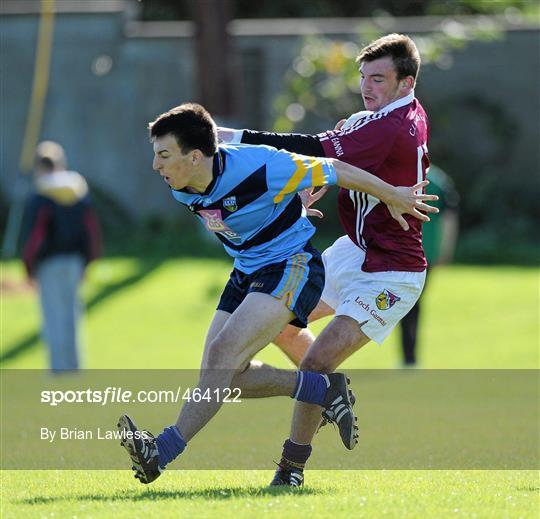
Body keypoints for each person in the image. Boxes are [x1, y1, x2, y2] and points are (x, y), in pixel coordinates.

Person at [117, 102, 438, 485]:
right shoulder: (181, 187)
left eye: (163, 155)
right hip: (246, 272)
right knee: (218, 375)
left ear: (196, 157)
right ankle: (322, 387)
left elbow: (337, 170)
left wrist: (391, 194)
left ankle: (160, 453)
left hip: (293, 266)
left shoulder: (263, 165)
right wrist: (289, 204)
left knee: (222, 357)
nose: (156, 166)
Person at [218, 33, 431, 486]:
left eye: (378, 78)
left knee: (315, 362)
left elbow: (312, 148)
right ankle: (331, 393)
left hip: (392, 273)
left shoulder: (390, 125)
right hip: (353, 251)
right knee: (276, 321)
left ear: (406, 82)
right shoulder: (386, 117)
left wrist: (235, 139)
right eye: (363, 77)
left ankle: (290, 470)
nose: (367, 86)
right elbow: (348, 159)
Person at [21, 141, 102, 371]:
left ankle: (58, 370)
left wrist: (28, 266)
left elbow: (35, 237)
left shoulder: (40, 196)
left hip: (49, 264)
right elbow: (91, 229)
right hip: (75, 262)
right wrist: (89, 260)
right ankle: (75, 367)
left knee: (53, 318)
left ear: (40, 166)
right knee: (72, 316)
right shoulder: (78, 191)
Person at [399, 164, 459, 367]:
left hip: (404, 250)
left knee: (408, 305)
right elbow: (450, 219)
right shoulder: (439, 179)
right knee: (410, 304)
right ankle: (409, 359)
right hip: (427, 251)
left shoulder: (401, 174)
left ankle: (409, 359)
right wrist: (446, 249)